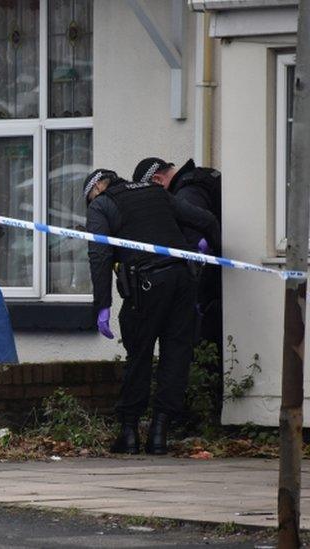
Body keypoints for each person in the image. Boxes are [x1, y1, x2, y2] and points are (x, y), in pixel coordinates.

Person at [84, 169, 220, 454]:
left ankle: (129, 433)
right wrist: (205, 254)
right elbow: (205, 220)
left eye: (88, 197)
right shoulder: (156, 192)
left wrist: (103, 305)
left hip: (145, 284)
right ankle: (159, 434)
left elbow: (100, 254)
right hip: (182, 282)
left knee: (140, 355)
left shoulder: (101, 205)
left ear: (96, 187)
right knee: (176, 355)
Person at [133, 157, 222, 349]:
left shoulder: (185, 196)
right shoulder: (198, 179)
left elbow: (199, 248)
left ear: (157, 181)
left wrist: (195, 295)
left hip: (213, 292)